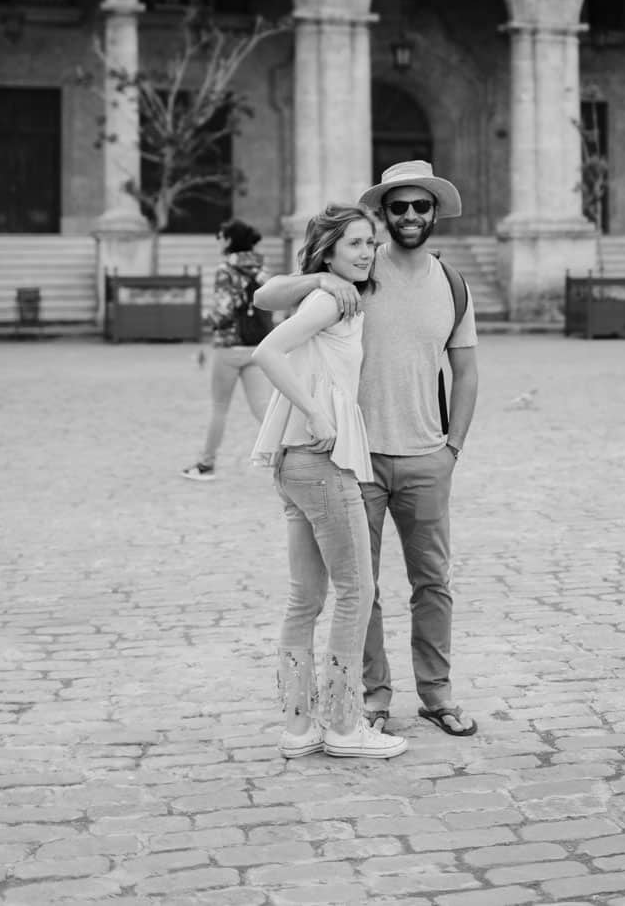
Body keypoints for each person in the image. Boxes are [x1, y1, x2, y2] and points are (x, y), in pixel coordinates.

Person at [255, 160, 479, 739]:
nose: (410, 216)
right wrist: (317, 281)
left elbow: (466, 368)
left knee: (433, 583)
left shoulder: (453, 285)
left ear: (435, 212)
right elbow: (266, 296)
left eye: (421, 206)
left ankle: (437, 694)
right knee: (363, 588)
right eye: (398, 207)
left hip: (428, 455)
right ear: (383, 215)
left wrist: (453, 447)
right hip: (358, 460)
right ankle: (372, 698)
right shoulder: (355, 268)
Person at [249, 204, 407, 761]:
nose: (366, 253)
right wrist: (315, 412)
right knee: (356, 592)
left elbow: (269, 299)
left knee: (306, 599)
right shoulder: (330, 299)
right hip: (322, 461)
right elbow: (267, 351)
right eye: (354, 244)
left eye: (369, 242)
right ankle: (343, 724)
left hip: (294, 463)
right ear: (329, 251)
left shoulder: (336, 296)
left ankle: (298, 727)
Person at [181, 217, 273, 481]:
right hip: (257, 343)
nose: (218, 241)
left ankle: (206, 464)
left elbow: (223, 312)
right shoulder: (263, 269)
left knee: (220, 407)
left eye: (220, 236)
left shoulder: (225, 270)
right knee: (263, 407)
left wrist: (206, 320)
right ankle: (291, 457)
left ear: (230, 240)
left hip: (230, 346)